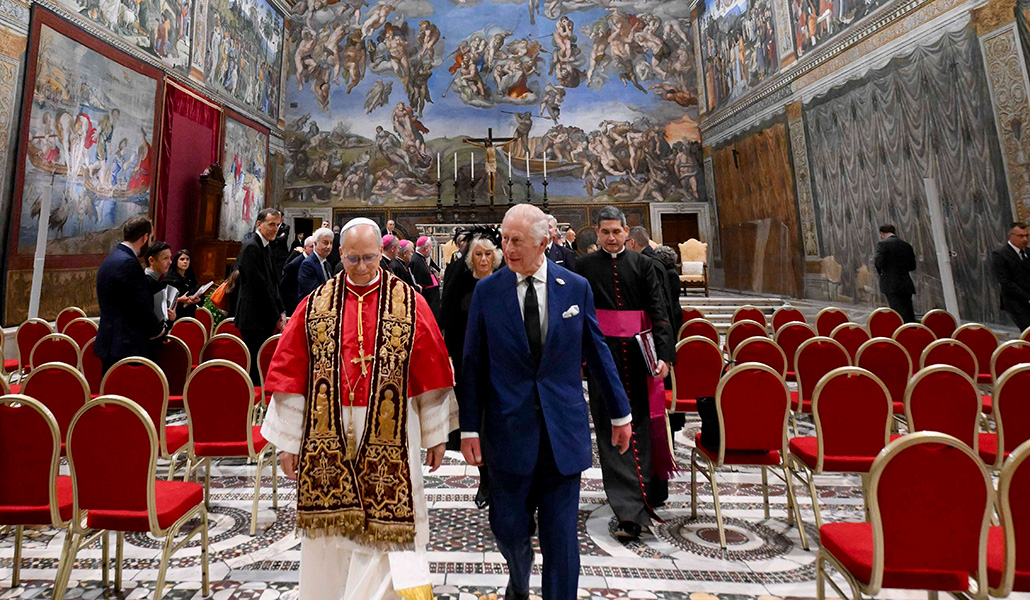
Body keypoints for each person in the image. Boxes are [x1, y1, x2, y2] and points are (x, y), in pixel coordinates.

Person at [260, 217, 456, 599]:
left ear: (381, 254)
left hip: (394, 430)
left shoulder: (409, 303)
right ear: (340, 255)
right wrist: (287, 442)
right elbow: (289, 374)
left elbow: (431, 370)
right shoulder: (315, 305)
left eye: (369, 258)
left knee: (392, 529)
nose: (363, 267)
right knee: (330, 539)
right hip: (326, 432)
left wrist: (435, 434)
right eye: (353, 259)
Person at [460, 204, 631, 600]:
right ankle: (519, 578)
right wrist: (469, 427)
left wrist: (621, 413)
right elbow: (472, 365)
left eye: (516, 241)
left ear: (544, 242)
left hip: (562, 435)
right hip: (506, 433)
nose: (507, 248)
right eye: (504, 239)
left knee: (561, 541)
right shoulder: (488, 292)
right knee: (508, 529)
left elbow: (598, 351)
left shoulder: (575, 288)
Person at [576, 206, 674, 541]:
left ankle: (644, 492)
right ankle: (627, 510)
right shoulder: (584, 267)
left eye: (617, 232)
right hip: (603, 357)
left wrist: (665, 355)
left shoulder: (644, 265)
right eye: (605, 232)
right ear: (598, 233)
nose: (612, 237)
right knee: (609, 428)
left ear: (626, 232)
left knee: (642, 427)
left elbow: (659, 311)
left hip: (639, 356)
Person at [439, 227, 502, 459]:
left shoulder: (502, 280)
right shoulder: (460, 279)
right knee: (467, 395)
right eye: (478, 254)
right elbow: (448, 317)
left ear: (495, 256)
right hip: (465, 349)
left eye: (488, 254)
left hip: (496, 352)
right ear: (470, 257)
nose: (483, 259)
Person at [95, 216, 167, 373]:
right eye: (151, 238)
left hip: (111, 340)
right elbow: (140, 305)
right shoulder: (129, 263)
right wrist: (158, 329)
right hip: (126, 345)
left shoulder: (112, 257)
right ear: (145, 237)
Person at [235, 208, 287, 381]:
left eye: (278, 225)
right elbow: (259, 287)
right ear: (259, 224)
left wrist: (281, 311)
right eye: (271, 224)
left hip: (261, 316)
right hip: (253, 318)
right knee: (256, 368)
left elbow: (272, 283)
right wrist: (276, 316)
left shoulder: (264, 246)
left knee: (261, 365)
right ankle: (254, 402)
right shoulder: (252, 247)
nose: (275, 229)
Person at [874, 224, 917, 323]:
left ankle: (901, 333)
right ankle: (912, 331)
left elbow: (879, 263)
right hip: (906, 283)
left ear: (882, 233)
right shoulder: (906, 245)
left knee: (897, 311)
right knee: (908, 310)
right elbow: (912, 266)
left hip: (890, 283)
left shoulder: (883, 244)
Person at [991, 221, 1030, 330]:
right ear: (1011, 236)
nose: (1025, 240)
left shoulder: (1028, 252)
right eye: (1021, 236)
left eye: (1027, 236)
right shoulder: (1000, 255)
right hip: (1015, 301)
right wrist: (1027, 298)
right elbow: (1006, 282)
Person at [297, 227, 335, 301]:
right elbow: (312, 293)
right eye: (325, 243)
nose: (329, 247)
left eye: (331, 243)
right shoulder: (308, 265)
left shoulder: (327, 264)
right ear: (315, 243)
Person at [164, 249, 203, 320]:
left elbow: (199, 295)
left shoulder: (191, 278)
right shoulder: (169, 279)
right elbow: (165, 300)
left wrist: (197, 299)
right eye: (182, 259)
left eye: (187, 259)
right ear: (176, 261)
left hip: (190, 315)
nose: (185, 262)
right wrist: (179, 299)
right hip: (175, 315)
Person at [281, 235, 315, 315]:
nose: (314, 250)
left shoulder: (315, 261)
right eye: (311, 247)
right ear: (305, 247)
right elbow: (284, 286)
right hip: (294, 303)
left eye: (315, 246)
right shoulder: (295, 264)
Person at [411, 236, 441, 317]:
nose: (431, 250)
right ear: (426, 248)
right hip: (428, 297)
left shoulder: (421, 258)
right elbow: (418, 280)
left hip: (432, 296)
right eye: (431, 248)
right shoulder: (415, 260)